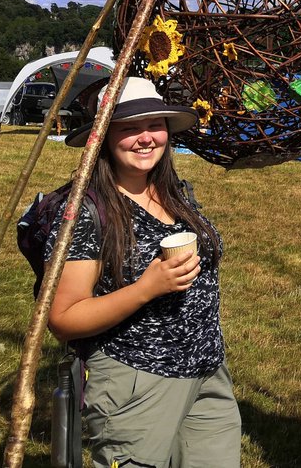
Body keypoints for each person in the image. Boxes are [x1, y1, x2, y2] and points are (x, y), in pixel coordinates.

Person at [46, 76, 241, 468]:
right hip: (137, 379)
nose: (145, 137)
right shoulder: (86, 211)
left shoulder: (176, 193)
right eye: (129, 128)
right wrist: (147, 288)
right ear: (103, 138)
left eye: (154, 125)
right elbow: (63, 318)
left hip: (207, 371)